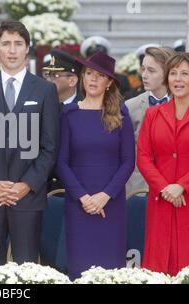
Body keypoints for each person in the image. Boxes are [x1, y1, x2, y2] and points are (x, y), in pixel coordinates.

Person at [0, 20, 59, 275]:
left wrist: (24, 185)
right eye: (6, 43)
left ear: (27, 49)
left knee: (26, 272)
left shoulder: (45, 90)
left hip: (27, 198)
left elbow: (49, 147)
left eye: (18, 44)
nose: (12, 49)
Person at [56, 51, 135, 280]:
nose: (92, 79)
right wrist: (84, 197)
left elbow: (129, 161)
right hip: (78, 205)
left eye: (99, 75)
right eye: (88, 73)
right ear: (82, 77)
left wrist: (104, 196)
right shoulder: (69, 114)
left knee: (111, 272)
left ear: (109, 82)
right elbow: (61, 162)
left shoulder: (121, 114)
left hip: (111, 205)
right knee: (81, 270)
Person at [137, 52, 189, 276]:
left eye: (185, 73)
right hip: (161, 201)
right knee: (158, 268)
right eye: (173, 73)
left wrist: (182, 185)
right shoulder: (152, 115)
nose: (178, 79)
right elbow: (144, 157)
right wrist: (165, 187)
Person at [125, 46, 175, 196]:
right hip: (138, 190)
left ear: (167, 73)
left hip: (173, 190)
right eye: (143, 69)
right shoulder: (130, 107)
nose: (144, 75)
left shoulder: (185, 106)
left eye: (151, 71)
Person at [42, 49, 83, 192]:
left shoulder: (85, 108)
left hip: (77, 187)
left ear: (72, 80)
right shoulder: (41, 106)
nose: (49, 80)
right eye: (47, 75)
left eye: (55, 75)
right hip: (44, 187)